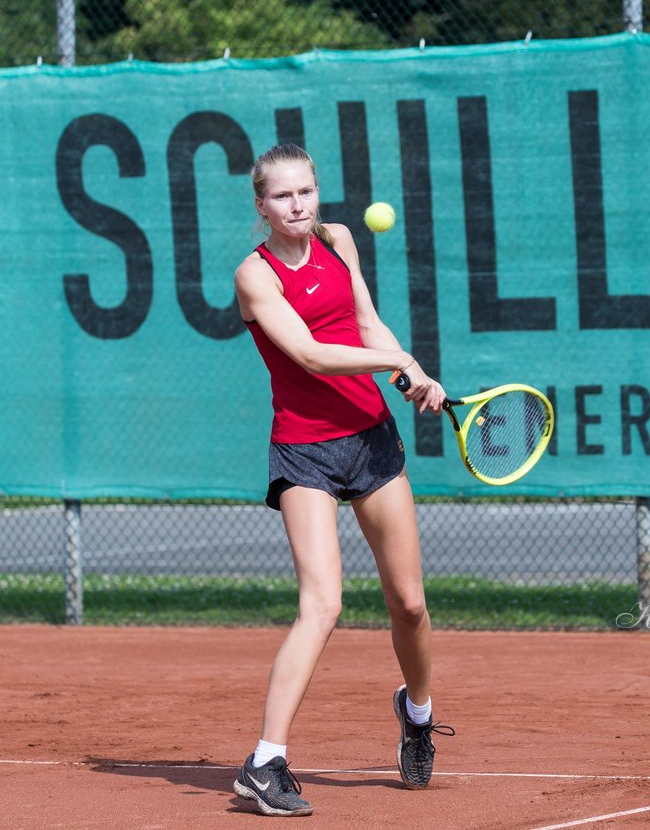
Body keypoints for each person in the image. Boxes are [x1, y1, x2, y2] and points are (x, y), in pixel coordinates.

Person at [231, 143, 454, 817]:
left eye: (307, 191)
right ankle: (265, 762)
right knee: (322, 605)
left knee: (410, 604)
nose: (297, 205)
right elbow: (309, 352)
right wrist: (398, 356)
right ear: (261, 205)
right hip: (304, 453)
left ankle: (417, 713)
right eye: (282, 196)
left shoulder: (339, 240)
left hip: (370, 439)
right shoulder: (254, 276)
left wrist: (406, 372)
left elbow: (361, 319)